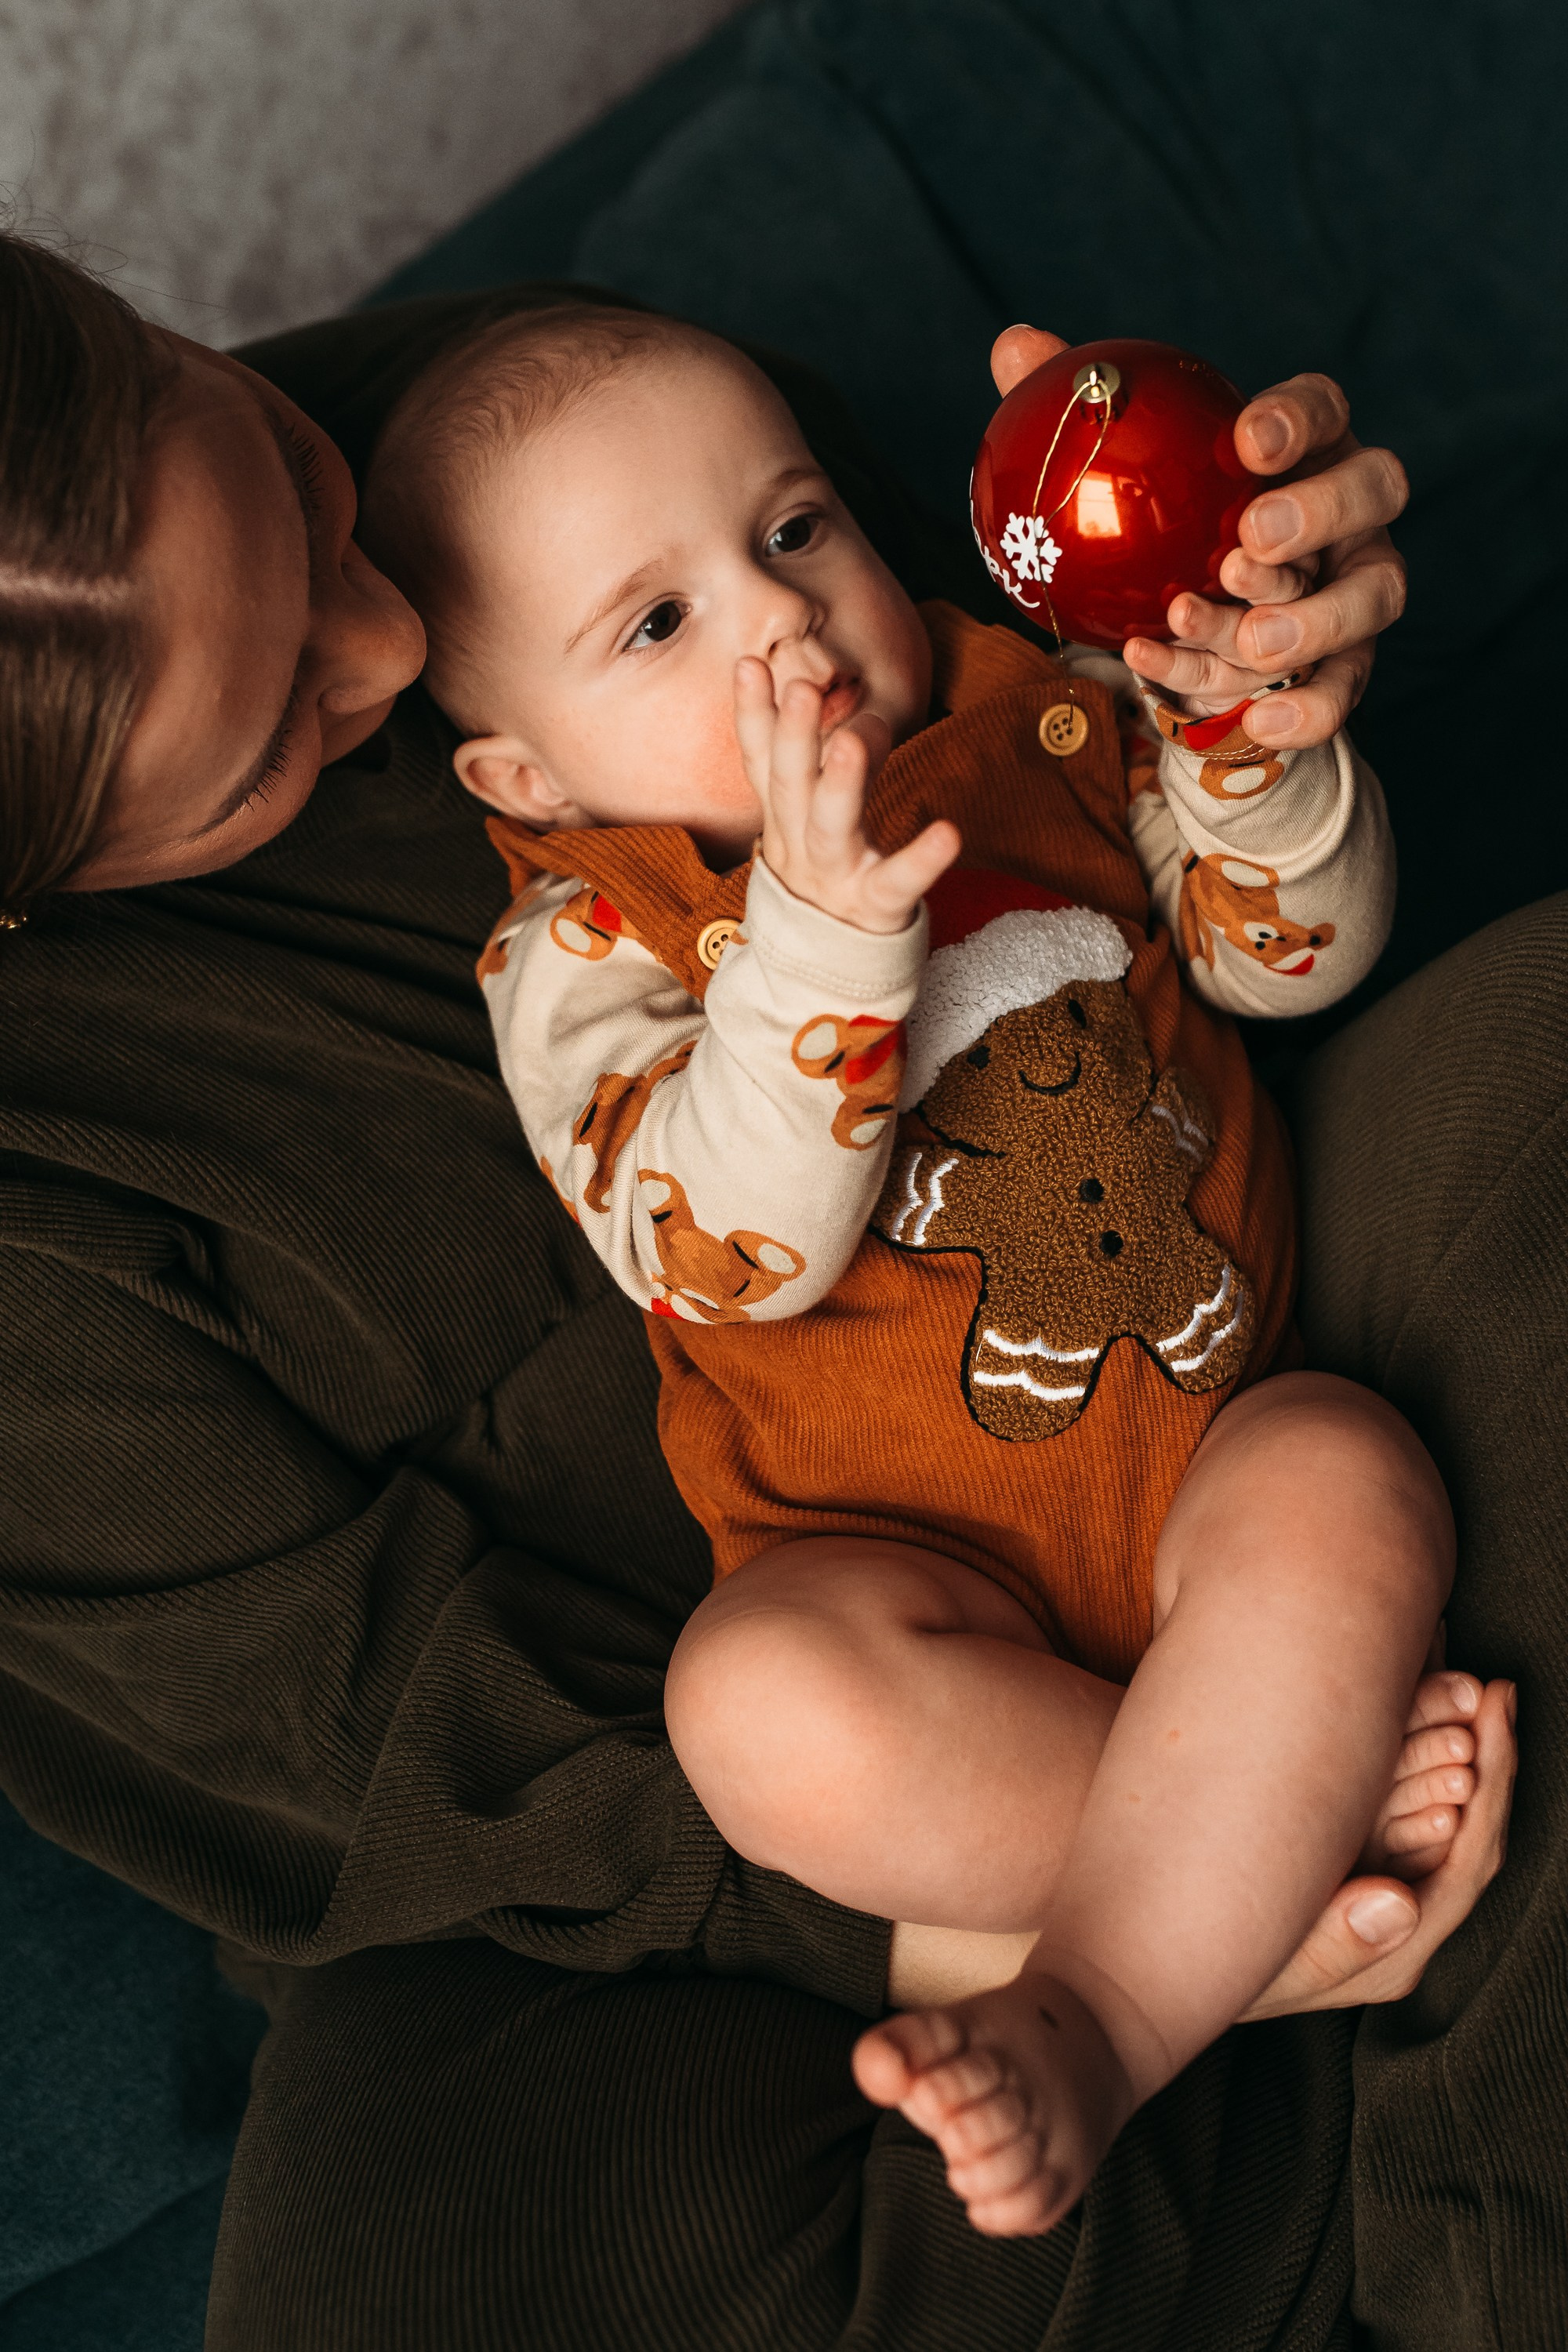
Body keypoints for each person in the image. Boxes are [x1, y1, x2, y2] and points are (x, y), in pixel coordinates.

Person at [0, 233, 1529, 2347]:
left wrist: (1250, 701)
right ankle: (1169, 1972)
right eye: (276, 730)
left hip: (1215, 1372)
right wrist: (1192, 1876)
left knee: (1394, 1381)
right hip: (784, 1755)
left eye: (284, 470)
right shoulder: (575, 942)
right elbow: (420, 1730)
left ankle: (1284, 1992)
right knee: (440, 2253)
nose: (392, 632)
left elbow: (1242, 917)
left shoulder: (548, 429)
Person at [357, 299, 1488, 2238]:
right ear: (526, 781)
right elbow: (733, 1257)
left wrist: (1240, 746)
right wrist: (809, 935)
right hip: (902, 1576)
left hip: (1216, 1447)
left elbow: (1284, 960)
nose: (782, 624)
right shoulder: (591, 943)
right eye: (659, 623)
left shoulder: (1038, 710)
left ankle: (1193, 1892)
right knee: (755, 1710)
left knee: (1345, 1471)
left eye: (793, 529)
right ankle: (1147, 1965)